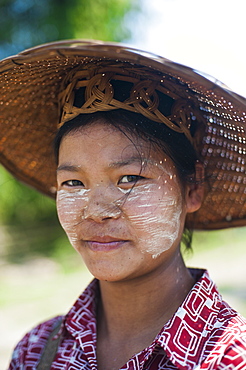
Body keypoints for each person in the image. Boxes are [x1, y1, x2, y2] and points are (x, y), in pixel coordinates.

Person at [1, 40, 246, 369]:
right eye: (74, 183)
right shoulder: (36, 351)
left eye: (129, 178)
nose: (97, 210)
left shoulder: (229, 357)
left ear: (193, 188)